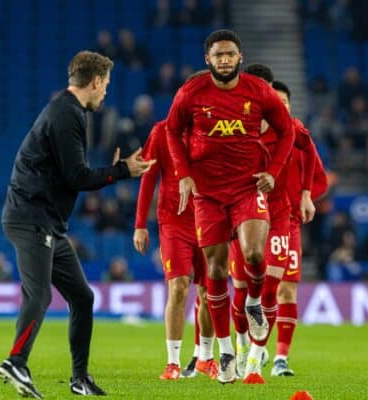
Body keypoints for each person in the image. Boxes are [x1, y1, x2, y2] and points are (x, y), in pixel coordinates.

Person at [0, 51, 155, 398]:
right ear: (96, 81)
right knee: (38, 294)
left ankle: (79, 378)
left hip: (47, 222)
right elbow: (77, 177)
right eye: (106, 86)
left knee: (82, 298)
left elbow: (71, 174)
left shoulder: (68, 111)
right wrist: (121, 171)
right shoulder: (68, 114)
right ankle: (15, 362)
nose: (105, 93)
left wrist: (114, 173)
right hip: (32, 219)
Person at [166, 29, 295, 384]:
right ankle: (225, 353)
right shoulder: (191, 93)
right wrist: (184, 174)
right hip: (207, 194)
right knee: (216, 271)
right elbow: (171, 132)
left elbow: (288, 132)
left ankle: (253, 301)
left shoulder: (258, 91)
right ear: (207, 59)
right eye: (218, 55)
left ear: (240, 57)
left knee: (254, 255)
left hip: (246, 187)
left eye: (230, 54)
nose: (225, 60)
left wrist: (273, 171)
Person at [226, 68, 318, 383]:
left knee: (272, 288)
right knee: (240, 290)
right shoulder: (234, 122)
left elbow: (309, 148)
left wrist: (306, 194)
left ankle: (256, 360)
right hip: (244, 213)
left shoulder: (289, 127)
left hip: (280, 215)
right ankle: (240, 344)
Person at [134, 115, 217, 381]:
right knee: (178, 286)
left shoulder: (215, 127)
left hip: (209, 218)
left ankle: (206, 358)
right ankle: (172, 363)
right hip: (174, 222)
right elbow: (148, 177)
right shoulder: (161, 132)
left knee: (209, 292)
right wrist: (140, 224)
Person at [268, 81, 327, 377]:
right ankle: (250, 348)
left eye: (285, 101)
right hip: (251, 220)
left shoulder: (297, 132)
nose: (281, 106)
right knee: (252, 287)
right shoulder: (251, 133)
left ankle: (280, 359)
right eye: (275, 100)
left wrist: (306, 194)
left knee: (287, 289)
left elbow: (314, 166)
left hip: (288, 220)